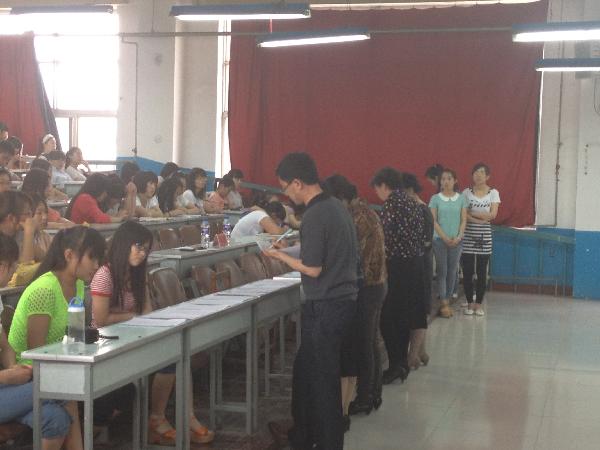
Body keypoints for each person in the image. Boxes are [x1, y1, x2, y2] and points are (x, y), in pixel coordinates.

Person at [264, 152, 358, 450]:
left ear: (297, 182)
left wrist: (280, 258)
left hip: (327, 304)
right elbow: (315, 249)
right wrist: (287, 250)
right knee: (306, 372)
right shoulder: (335, 206)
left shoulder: (315, 214)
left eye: (285, 187)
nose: (287, 195)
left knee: (323, 381)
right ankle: (303, 435)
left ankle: (328, 441)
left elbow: (313, 268)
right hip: (341, 301)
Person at [90, 221, 215, 445]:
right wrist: (133, 316)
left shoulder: (138, 274)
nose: (142, 253)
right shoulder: (104, 275)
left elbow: (146, 311)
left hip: (134, 336)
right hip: (107, 343)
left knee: (180, 354)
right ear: (124, 244)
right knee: (169, 359)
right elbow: (101, 320)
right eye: (138, 247)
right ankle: (157, 420)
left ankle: (186, 417)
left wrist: (134, 316)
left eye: (146, 249)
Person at [8, 226, 105, 448]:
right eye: (92, 257)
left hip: (53, 372)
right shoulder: (45, 290)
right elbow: (37, 354)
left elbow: (73, 337)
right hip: (26, 377)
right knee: (68, 387)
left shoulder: (77, 285)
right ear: (69, 255)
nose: (97, 265)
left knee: (58, 414)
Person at [0, 233, 81, 450]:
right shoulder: (45, 289)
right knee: (61, 385)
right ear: (2, 267)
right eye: (13, 266)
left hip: (5, 388)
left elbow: (5, 346)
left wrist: (13, 368)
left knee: (55, 418)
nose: (14, 272)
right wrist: (6, 376)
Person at [322, 175, 387, 420]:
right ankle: (373, 393)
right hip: (376, 283)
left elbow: (351, 253)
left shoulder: (357, 217)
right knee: (370, 341)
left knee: (363, 343)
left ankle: (364, 397)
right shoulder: (364, 211)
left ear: (341, 198)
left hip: (367, 286)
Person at [371, 167, 427, 382]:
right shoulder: (413, 203)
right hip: (415, 265)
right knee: (403, 317)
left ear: (384, 185)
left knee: (388, 318)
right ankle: (402, 363)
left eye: (377, 189)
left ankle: (396, 364)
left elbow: (384, 238)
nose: (378, 193)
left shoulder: (391, 205)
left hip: (396, 267)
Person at [401, 173, 433, 366]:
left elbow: (426, 242)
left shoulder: (421, 210)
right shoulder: (415, 208)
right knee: (418, 309)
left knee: (419, 310)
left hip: (420, 265)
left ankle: (414, 354)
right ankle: (421, 351)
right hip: (417, 263)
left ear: (410, 190)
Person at [461, 163, 501, 316]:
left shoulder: (493, 193)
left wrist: (473, 214)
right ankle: (469, 303)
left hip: (485, 237)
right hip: (468, 236)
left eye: (482, 172)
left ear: (487, 176)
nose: (478, 175)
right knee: (467, 271)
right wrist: (479, 219)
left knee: (482, 272)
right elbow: (463, 213)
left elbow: (493, 215)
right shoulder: (466, 192)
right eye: (476, 172)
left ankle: (478, 304)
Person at [429, 168, 467, 318]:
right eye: (443, 179)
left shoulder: (461, 199)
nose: (446, 181)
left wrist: (458, 237)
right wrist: (444, 237)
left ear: (455, 180)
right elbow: (433, 221)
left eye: (449, 178)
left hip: (457, 241)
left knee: (452, 271)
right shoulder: (435, 198)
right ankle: (443, 302)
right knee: (442, 271)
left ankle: (448, 300)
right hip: (439, 240)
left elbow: (463, 220)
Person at [30, 194, 54, 262]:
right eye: (39, 213)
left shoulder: (45, 236)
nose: (44, 217)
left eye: (46, 212)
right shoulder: (21, 240)